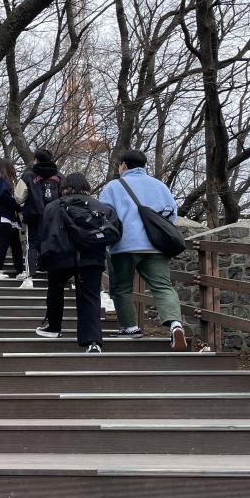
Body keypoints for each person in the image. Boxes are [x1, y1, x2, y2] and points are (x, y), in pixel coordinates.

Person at [99, 148, 187, 348]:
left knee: (122, 288)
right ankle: (175, 324)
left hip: (124, 246)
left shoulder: (114, 186)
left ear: (124, 165)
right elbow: (172, 214)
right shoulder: (159, 186)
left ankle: (130, 328)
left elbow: (104, 214)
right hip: (156, 245)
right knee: (163, 286)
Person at [35, 173, 117, 353]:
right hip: (91, 256)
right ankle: (92, 341)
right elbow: (114, 229)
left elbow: (45, 233)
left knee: (55, 289)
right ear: (86, 185)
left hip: (60, 255)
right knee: (90, 297)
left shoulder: (53, 206)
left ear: (64, 188)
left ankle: (53, 327)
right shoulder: (101, 206)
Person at [18, 149, 62, 289]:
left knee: (32, 244)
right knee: (52, 244)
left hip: (34, 216)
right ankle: (51, 272)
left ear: (36, 159)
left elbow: (19, 197)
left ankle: (30, 276)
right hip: (54, 217)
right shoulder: (59, 177)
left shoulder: (28, 175)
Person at [0, 158, 25, 280]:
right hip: (4, 216)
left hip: (9, 217)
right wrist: (15, 203)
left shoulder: (0, 179)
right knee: (4, 243)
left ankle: (20, 270)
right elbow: (1, 195)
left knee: (16, 245)